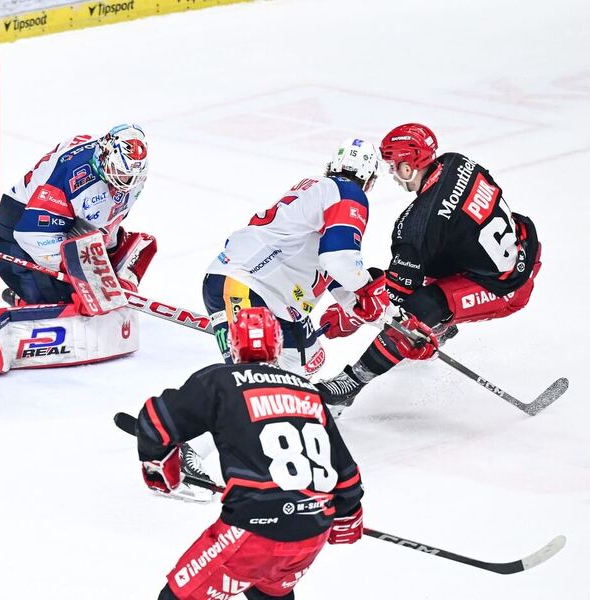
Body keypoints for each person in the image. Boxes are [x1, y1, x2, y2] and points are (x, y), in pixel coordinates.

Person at [135, 307, 364, 600]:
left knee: (179, 597)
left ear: (232, 344)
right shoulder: (308, 391)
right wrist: (348, 515)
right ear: (279, 345)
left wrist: (159, 463)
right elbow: (346, 476)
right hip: (311, 532)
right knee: (267, 590)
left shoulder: (220, 381)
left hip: (252, 529)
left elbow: (155, 425)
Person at [316, 123, 542, 414]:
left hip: (507, 288)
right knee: (405, 277)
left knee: (412, 315)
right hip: (524, 250)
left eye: (394, 167)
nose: (393, 176)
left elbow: (392, 304)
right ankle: (442, 324)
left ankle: (350, 384)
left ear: (408, 168)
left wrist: (352, 315)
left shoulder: (415, 226)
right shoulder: (457, 161)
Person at [0, 125, 157, 376]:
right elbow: (31, 234)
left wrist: (106, 265)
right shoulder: (72, 179)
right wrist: (75, 271)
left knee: (103, 281)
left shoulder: (128, 177)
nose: (124, 181)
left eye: (130, 176)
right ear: (104, 157)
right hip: (22, 229)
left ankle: (26, 296)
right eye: (119, 172)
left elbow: (107, 220)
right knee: (66, 297)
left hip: (68, 224)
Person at [202, 138, 390, 378]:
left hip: (267, 292)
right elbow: (339, 260)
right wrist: (366, 292)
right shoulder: (348, 192)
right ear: (369, 179)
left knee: (309, 360)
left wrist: (356, 306)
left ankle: (292, 412)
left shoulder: (320, 189)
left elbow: (327, 262)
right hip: (244, 284)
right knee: (255, 379)